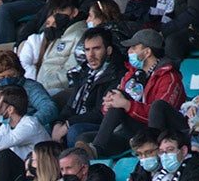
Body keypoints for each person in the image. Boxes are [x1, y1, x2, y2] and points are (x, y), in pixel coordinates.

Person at [77, 29, 185, 158]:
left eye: (134, 48)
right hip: (134, 133)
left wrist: (127, 105)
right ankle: (95, 151)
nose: (129, 52)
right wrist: (108, 105)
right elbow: (114, 111)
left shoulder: (168, 76)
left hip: (162, 134)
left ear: (147, 52)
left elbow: (159, 114)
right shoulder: (131, 74)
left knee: (149, 104)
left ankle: (150, 152)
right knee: (84, 137)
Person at [53, 27, 126, 147]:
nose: (91, 55)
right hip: (77, 121)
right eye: (87, 50)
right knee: (47, 127)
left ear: (108, 50)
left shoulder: (117, 74)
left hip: (102, 127)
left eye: (96, 49)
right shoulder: (84, 72)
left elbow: (100, 113)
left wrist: (68, 124)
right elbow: (70, 106)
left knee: (75, 131)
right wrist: (58, 123)